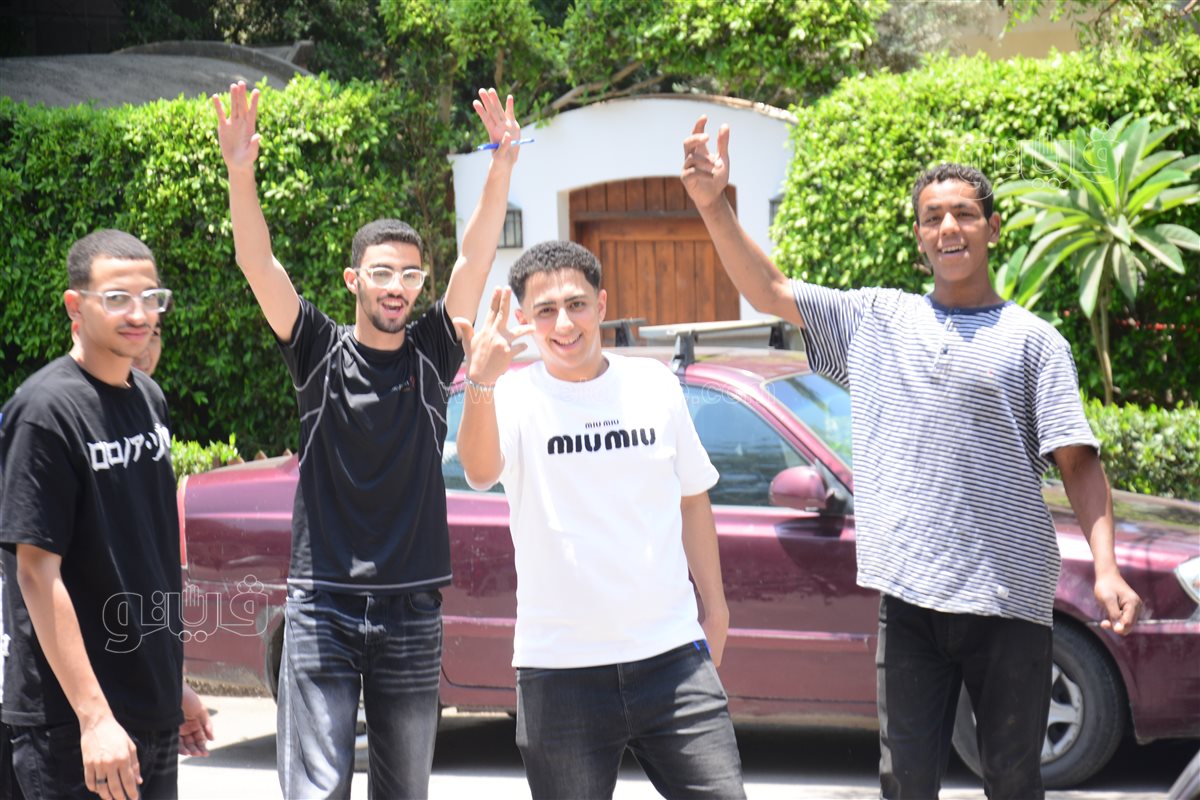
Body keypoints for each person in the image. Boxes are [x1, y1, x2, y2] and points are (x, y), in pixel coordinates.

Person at [680, 119, 1143, 798]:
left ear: (992, 227)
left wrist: (1106, 569)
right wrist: (712, 202)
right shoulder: (877, 320)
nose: (948, 227)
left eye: (964, 214)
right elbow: (771, 291)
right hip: (910, 596)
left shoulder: (1034, 342)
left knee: (1013, 777)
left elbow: (1079, 463)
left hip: (1008, 597)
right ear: (920, 237)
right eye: (933, 218)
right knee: (905, 779)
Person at [212, 80, 521, 797]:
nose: (397, 286)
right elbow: (259, 264)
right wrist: (240, 172)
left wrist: (501, 166)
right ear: (355, 278)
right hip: (322, 606)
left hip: (412, 610)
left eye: (410, 275)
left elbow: (474, 259)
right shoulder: (317, 350)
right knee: (317, 790)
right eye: (382, 272)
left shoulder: (433, 350)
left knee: (403, 791)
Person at [453, 241, 746, 799]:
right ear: (524, 319)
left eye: (576, 304)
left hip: (672, 660)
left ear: (602, 304)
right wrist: (480, 381)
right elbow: (480, 469)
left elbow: (691, 497)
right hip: (558, 671)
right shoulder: (513, 396)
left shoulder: (653, 384)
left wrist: (717, 609)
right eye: (545, 310)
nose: (564, 324)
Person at [0, 229, 213, 800]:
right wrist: (94, 717)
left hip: (148, 711)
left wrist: (172, 686)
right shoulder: (44, 411)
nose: (138, 314)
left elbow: (146, 552)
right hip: (74, 725)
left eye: (150, 298)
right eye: (117, 298)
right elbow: (35, 573)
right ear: (76, 306)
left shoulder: (148, 399)